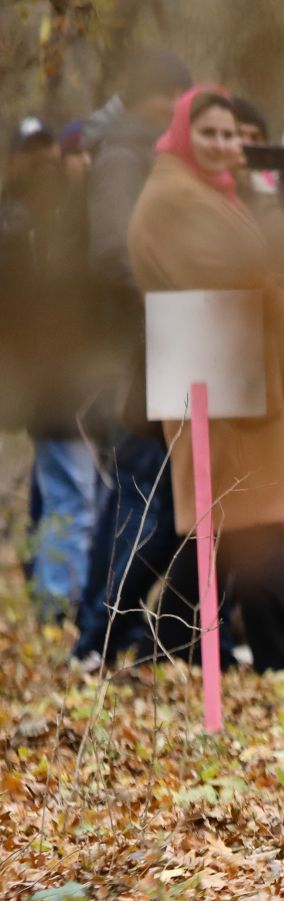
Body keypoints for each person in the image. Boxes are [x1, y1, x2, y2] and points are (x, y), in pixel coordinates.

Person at [127, 86, 284, 671]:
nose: (223, 144)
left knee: (233, 520)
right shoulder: (173, 196)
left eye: (231, 134)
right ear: (184, 133)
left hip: (232, 367)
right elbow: (234, 274)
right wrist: (276, 290)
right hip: (213, 368)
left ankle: (181, 644)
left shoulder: (213, 192)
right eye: (209, 133)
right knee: (224, 518)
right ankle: (180, 642)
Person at [70, 48, 195, 668]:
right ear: (163, 99)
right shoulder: (125, 155)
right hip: (131, 352)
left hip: (147, 347)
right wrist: (167, 300)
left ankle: (101, 631)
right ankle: (98, 633)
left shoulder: (138, 153)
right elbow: (113, 253)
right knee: (140, 495)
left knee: (134, 493)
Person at [2, 117, 98, 622]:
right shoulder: (26, 227)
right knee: (73, 499)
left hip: (57, 383)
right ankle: (57, 603)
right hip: (53, 385)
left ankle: (52, 592)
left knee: (59, 492)